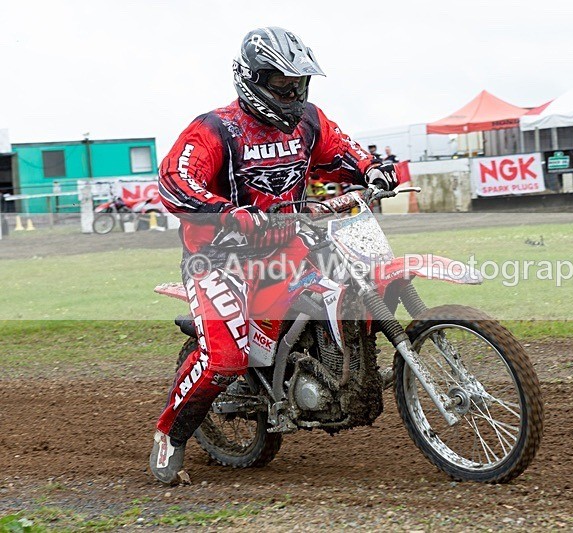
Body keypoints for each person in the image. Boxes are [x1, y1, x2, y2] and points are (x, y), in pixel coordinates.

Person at [150, 26, 398, 485]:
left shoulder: (308, 121)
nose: (292, 94)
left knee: (353, 285)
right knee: (226, 357)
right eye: (282, 85)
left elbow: (345, 150)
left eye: (299, 85)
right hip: (220, 261)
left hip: (290, 245)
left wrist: (375, 168)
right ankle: (171, 434)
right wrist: (228, 214)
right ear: (252, 79)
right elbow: (173, 183)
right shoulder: (214, 130)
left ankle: (341, 378)